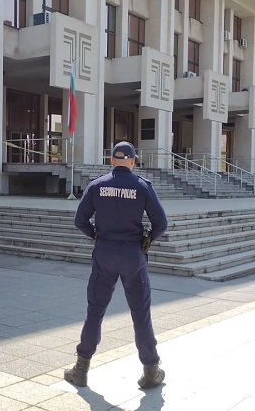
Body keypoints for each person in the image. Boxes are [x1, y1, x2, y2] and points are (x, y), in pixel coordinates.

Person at [66, 141, 169, 390]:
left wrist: (95, 235)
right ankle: (151, 371)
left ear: (112, 160)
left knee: (95, 311)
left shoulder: (97, 185)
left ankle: (81, 369)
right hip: (133, 254)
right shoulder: (142, 186)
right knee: (140, 313)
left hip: (104, 253)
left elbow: (80, 220)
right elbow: (161, 223)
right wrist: (148, 239)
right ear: (133, 161)